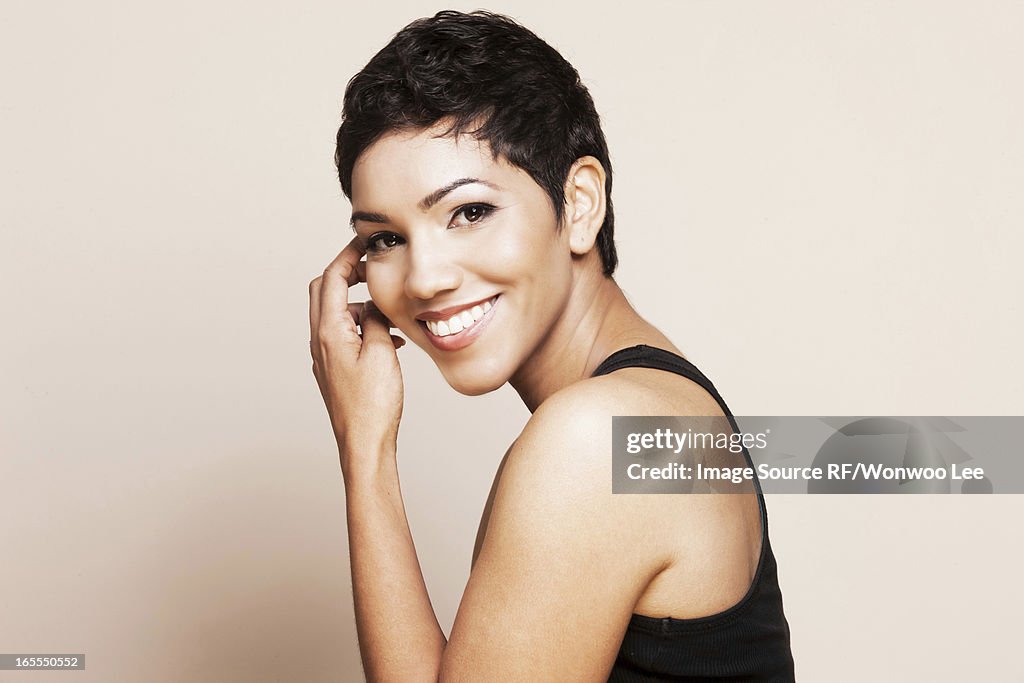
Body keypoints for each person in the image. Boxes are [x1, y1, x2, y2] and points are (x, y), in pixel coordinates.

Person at [308, 10, 795, 682]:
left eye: (469, 212)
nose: (423, 276)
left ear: (581, 202)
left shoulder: (594, 439)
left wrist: (364, 451)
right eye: (384, 238)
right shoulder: (651, 408)